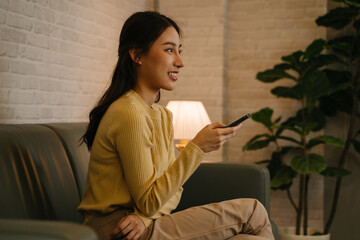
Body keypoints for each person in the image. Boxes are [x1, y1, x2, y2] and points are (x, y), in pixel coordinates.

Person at [78, 11, 274, 240]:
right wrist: (197, 147)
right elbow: (151, 201)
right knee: (252, 211)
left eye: (179, 50)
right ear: (137, 54)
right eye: (169, 50)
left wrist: (144, 218)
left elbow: (172, 192)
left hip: (141, 223)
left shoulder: (162, 115)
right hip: (118, 230)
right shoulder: (128, 113)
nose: (180, 62)